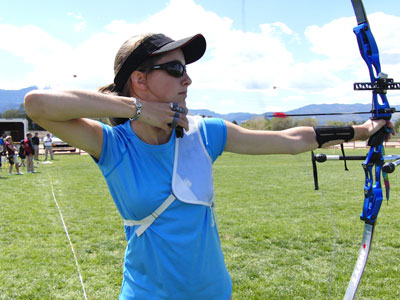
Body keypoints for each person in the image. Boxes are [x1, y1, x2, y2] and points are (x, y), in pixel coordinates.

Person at [24, 33, 394, 300]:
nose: (187, 78)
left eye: (184, 69)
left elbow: (292, 141)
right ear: (139, 80)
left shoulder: (205, 133)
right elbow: (37, 104)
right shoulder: (113, 145)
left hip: (215, 292)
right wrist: (136, 109)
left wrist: (363, 129)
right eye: (173, 69)